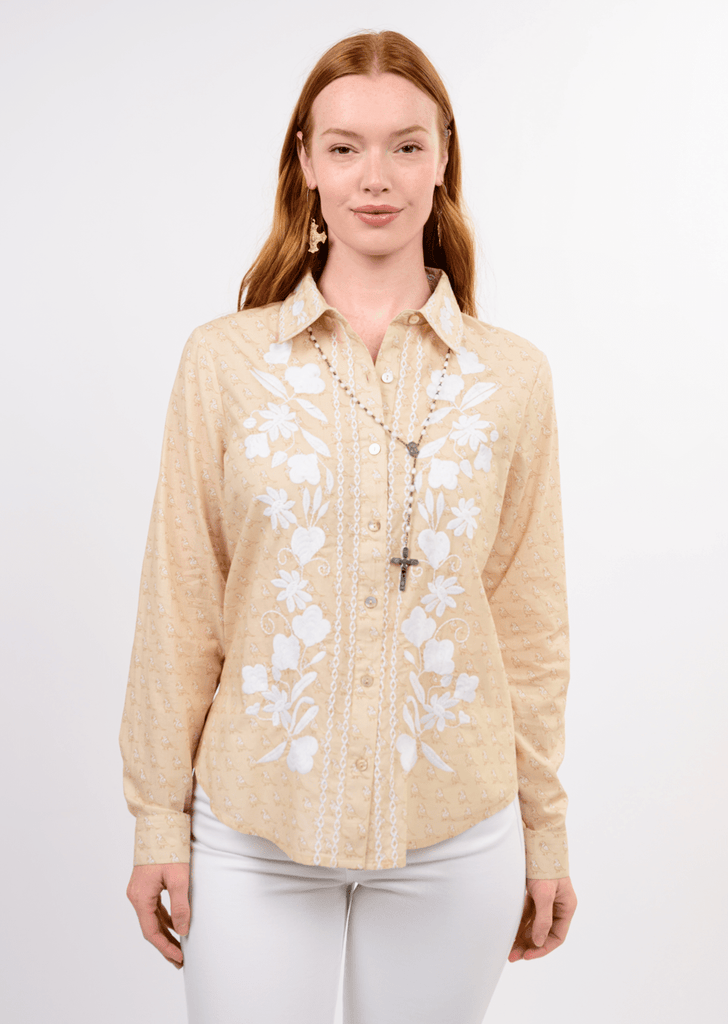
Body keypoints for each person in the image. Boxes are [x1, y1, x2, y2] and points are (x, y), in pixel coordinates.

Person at [121, 29, 577, 1024]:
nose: (376, 177)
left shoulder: (512, 377)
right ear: (306, 163)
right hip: (254, 831)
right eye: (344, 147)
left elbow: (529, 625)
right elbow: (180, 603)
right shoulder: (224, 363)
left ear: (443, 159)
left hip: (455, 835)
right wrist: (158, 818)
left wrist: (544, 830)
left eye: (406, 146)